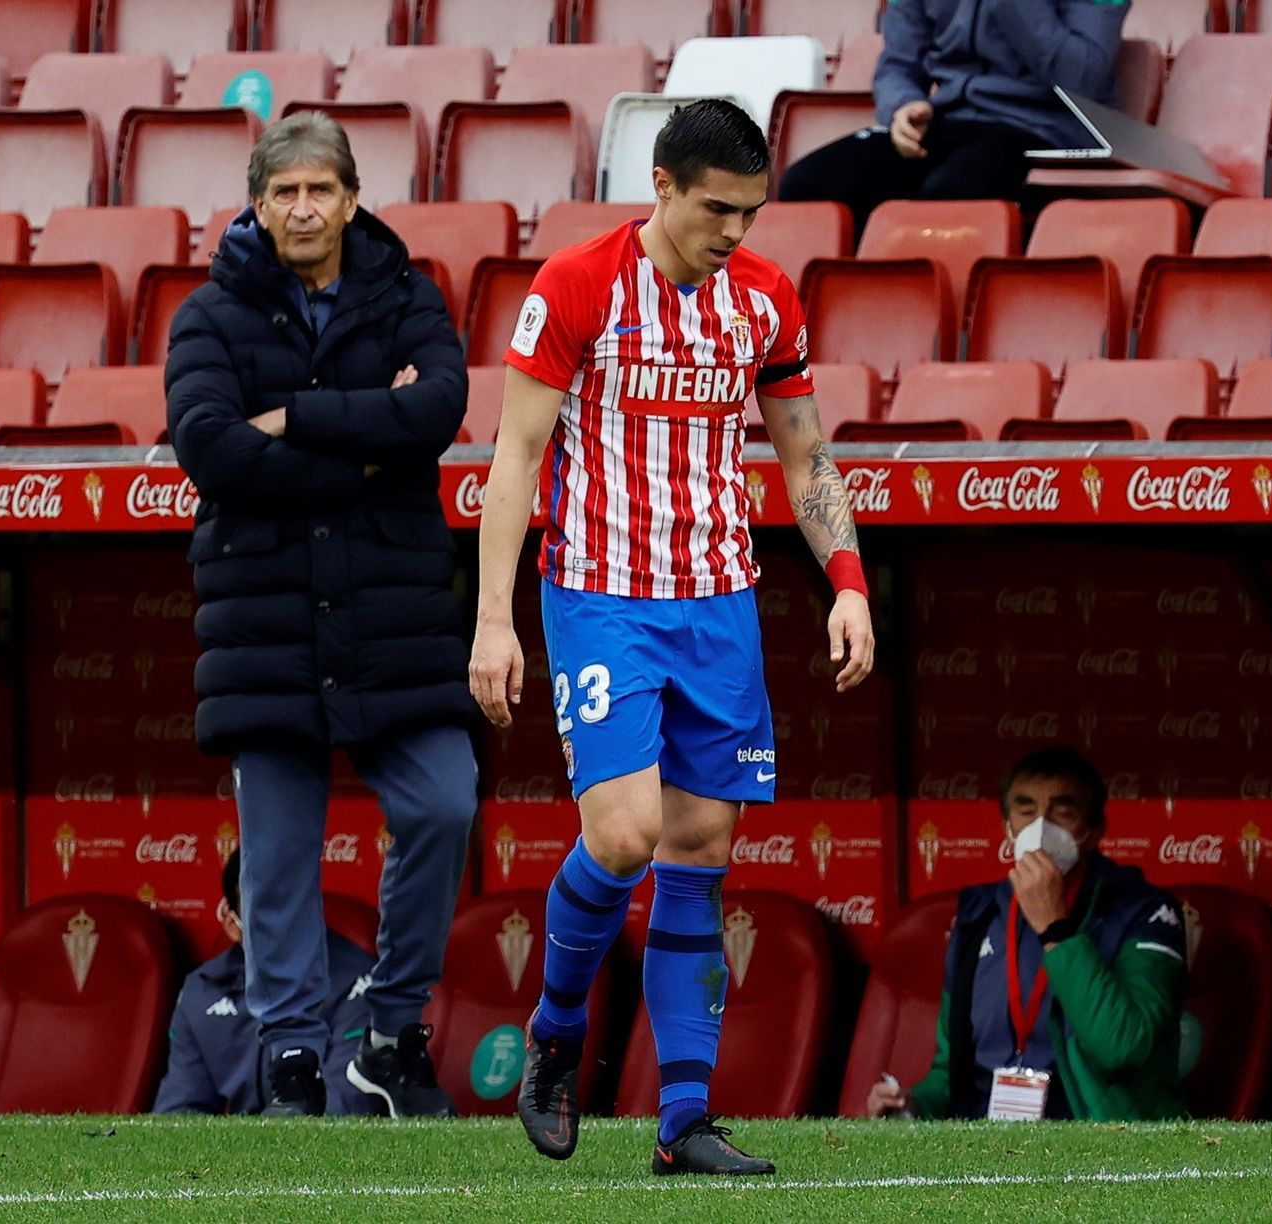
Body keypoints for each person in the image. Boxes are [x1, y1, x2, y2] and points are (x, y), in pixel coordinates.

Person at [469, 98, 875, 1177]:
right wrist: (494, 621)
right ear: (660, 187)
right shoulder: (576, 285)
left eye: (750, 211)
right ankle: (558, 1033)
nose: (736, 230)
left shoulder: (764, 302)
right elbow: (513, 459)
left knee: (699, 853)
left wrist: (848, 583)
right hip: (600, 595)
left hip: (719, 604)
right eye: (715, 208)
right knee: (624, 833)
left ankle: (682, 1122)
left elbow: (804, 458)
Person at [165, 111, 479, 1119]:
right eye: (284, 191)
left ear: (350, 198)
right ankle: (293, 1059)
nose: (304, 207)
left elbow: (435, 411)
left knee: (443, 805)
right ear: (257, 204)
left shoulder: (406, 295)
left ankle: (387, 1027)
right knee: (278, 860)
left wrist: (296, 417)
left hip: (393, 618)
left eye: (321, 189)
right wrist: (366, 445)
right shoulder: (206, 317)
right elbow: (210, 448)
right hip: (267, 624)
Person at [868, 746, 1189, 1122]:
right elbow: (948, 1072)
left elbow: (1122, 1045)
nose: (1041, 825)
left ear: (1093, 830)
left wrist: (1056, 928)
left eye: (1062, 811)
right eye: (1026, 810)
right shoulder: (979, 915)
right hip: (988, 1140)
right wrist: (913, 1103)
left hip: (1095, 1142)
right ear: (1008, 827)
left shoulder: (1145, 912)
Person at [778, 0, 1129, 238]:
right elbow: (898, 65)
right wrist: (903, 106)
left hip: (1040, 127)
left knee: (948, 196)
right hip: (949, 122)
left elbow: (1083, 75)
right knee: (809, 185)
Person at [153, 850, 375, 1116]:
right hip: (236, 1152)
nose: (281, 923)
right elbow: (179, 1111)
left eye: (290, 905)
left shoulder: (358, 982)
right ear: (233, 924)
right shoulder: (202, 991)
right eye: (263, 912)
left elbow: (346, 1106)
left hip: (323, 1151)